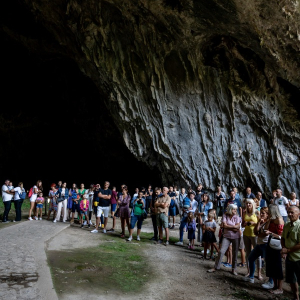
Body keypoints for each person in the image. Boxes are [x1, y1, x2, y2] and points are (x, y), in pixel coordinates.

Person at [208, 204, 241, 275]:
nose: (235, 211)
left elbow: (237, 228)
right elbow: (224, 226)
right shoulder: (225, 216)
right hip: (226, 236)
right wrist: (233, 227)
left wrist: (228, 227)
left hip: (236, 237)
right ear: (230, 209)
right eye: (233, 209)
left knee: (235, 253)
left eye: (235, 209)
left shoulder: (237, 217)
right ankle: (216, 267)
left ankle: (233, 269)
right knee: (221, 251)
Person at [244, 207, 272, 284]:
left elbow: (263, 234)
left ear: (267, 214)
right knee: (251, 258)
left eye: (263, 213)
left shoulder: (269, 222)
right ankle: (251, 277)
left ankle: (271, 281)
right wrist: (259, 222)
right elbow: (255, 232)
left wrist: (259, 234)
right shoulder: (261, 222)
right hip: (259, 244)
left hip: (266, 245)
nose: (261, 214)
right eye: (261, 213)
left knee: (269, 262)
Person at [264, 204, 284, 294]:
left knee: (277, 266)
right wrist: (268, 220)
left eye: (269, 211)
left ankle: (280, 288)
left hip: (277, 244)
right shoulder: (271, 220)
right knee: (271, 265)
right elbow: (265, 229)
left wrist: (270, 233)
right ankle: (275, 286)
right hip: (270, 243)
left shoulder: (279, 220)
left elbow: (281, 236)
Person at [281, 206, 300, 300]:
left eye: (292, 212)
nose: (289, 214)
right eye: (288, 212)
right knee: (292, 279)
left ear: (298, 214)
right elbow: (283, 238)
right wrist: (284, 248)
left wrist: (287, 250)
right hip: (289, 258)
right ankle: (296, 297)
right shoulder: (287, 224)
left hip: (298, 258)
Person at [242, 199, 261, 279]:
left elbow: (260, 223)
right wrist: (244, 223)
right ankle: (249, 271)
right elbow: (242, 224)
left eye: (250, 203)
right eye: (247, 203)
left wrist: (254, 223)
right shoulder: (244, 212)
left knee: (258, 253)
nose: (248, 205)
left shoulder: (257, 212)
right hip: (246, 234)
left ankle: (259, 273)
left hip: (254, 235)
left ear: (253, 204)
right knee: (248, 252)